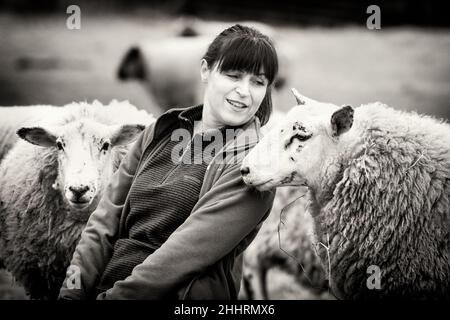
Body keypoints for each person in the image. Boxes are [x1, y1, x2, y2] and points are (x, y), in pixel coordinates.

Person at [58, 24, 278, 300]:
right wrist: (72, 293)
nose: (244, 91)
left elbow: (183, 256)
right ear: (205, 71)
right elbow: (103, 223)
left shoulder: (256, 164)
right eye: (233, 75)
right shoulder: (159, 130)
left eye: (258, 82)